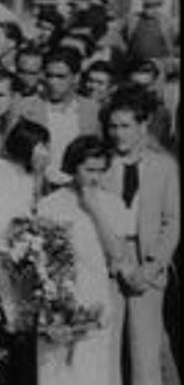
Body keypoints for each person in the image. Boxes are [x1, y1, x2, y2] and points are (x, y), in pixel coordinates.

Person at [101, 90, 180, 385]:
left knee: (145, 347)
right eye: (113, 127)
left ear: (142, 125)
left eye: (125, 126)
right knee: (106, 344)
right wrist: (115, 259)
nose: (118, 133)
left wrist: (153, 265)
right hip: (109, 259)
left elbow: (172, 221)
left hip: (147, 261)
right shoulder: (102, 163)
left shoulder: (164, 166)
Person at [35, 135, 124, 385]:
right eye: (88, 170)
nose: (95, 177)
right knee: (53, 370)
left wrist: (94, 208)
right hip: (58, 299)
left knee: (92, 370)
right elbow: (41, 257)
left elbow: (117, 254)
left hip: (95, 296)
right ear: (73, 167)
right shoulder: (50, 204)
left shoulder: (112, 204)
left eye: (101, 170)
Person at [0, 119, 51, 384]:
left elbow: (36, 209)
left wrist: (40, 175)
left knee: (21, 318)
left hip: (23, 253)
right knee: (0, 312)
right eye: (41, 145)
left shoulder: (33, 174)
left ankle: (17, 373)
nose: (45, 151)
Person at [16, 47, 101, 187]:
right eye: (49, 76)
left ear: (76, 77)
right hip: (36, 185)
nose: (53, 82)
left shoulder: (91, 109)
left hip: (76, 189)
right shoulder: (25, 107)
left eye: (61, 76)